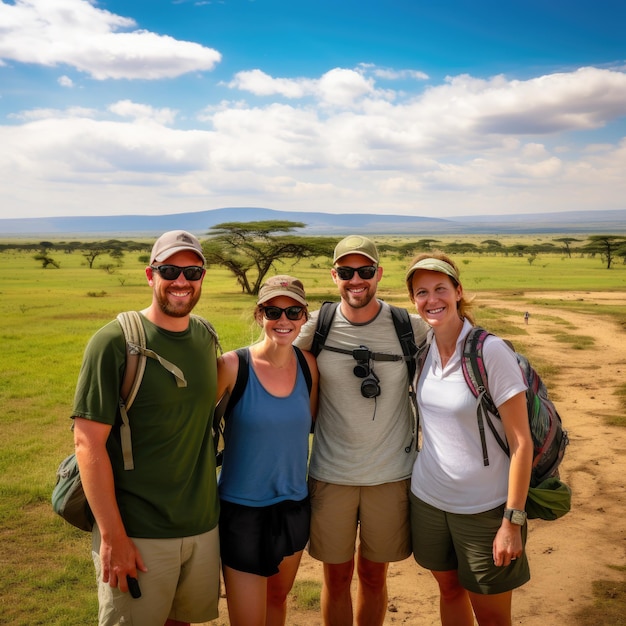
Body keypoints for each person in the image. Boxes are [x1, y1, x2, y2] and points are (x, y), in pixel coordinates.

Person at [72, 230, 221, 626]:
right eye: (170, 270)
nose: (182, 281)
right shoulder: (114, 342)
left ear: (203, 276)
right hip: (138, 532)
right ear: (150, 275)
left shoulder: (206, 337)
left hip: (202, 525)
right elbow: (88, 445)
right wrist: (113, 538)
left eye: (193, 271)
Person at [294, 235, 429, 626]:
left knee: (373, 576)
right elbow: (269, 353)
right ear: (334, 275)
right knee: (335, 578)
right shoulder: (315, 327)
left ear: (378, 274)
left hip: (390, 476)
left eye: (365, 271)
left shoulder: (411, 327)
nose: (357, 280)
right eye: (347, 272)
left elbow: (459, 347)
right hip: (331, 474)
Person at [405, 251, 533, 626]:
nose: (432, 300)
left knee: (492, 616)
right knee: (448, 591)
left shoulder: (489, 351)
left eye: (440, 289)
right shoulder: (423, 351)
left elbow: (521, 443)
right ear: (414, 300)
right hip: (429, 501)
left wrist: (512, 521)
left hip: (486, 510)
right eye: (422, 292)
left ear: (458, 291)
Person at [216, 275, 319, 626]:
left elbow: (311, 422)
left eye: (293, 311)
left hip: (293, 505)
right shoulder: (231, 367)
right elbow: (195, 431)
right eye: (273, 310)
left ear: (305, 316)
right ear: (260, 315)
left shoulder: (309, 366)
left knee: (277, 601)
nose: (284, 320)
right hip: (241, 511)